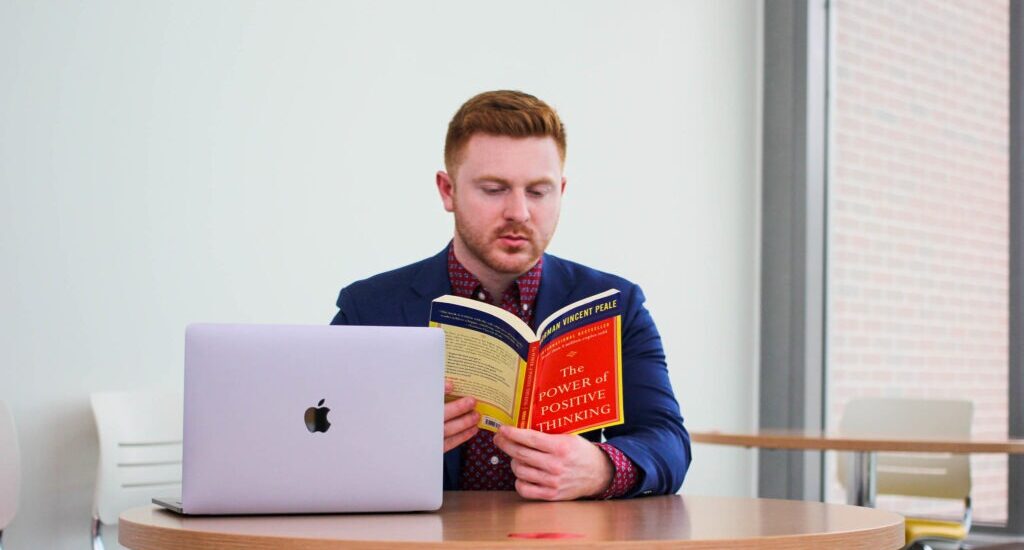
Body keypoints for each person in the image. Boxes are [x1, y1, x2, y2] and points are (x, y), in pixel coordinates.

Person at [331, 90, 690, 500]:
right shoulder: (369, 308)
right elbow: (321, 439)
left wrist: (603, 467)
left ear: (562, 192)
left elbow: (669, 441)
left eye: (538, 191)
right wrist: (390, 443)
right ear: (447, 190)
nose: (519, 212)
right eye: (494, 189)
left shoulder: (617, 304)